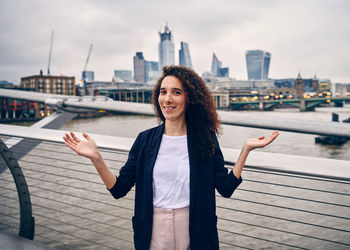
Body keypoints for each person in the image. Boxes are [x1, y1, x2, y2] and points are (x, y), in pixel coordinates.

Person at [63, 65, 279, 250]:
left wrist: (246, 150)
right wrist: (96, 158)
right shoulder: (145, 140)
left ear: (189, 98)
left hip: (196, 228)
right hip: (153, 228)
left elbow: (225, 187)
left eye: (176, 92)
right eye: (163, 92)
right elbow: (119, 189)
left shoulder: (205, 139)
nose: (167, 98)